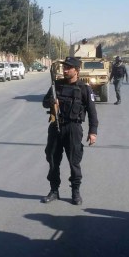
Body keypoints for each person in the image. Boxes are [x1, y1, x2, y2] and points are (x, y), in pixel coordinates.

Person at [42, 56, 98, 205]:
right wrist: (52, 103)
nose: (65, 70)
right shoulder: (56, 85)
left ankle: (75, 192)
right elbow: (44, 102)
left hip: (73, 128)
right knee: (53, 160)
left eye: (68, 68)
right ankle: (54, 190)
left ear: (77, 70)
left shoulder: (85, 88)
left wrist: (93, 132)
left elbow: (92, 112)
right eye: (64, 68)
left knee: (74, 162)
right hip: (56, 127)